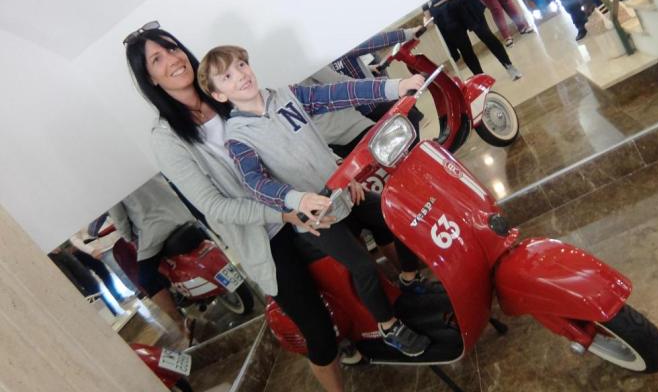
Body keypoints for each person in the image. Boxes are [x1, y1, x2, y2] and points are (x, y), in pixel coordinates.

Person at [124, 22, 344, 391]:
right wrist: (282, 211)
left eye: (172, 48)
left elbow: (286, 134)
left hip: (303, 203)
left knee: (357, 266)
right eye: (157, 59)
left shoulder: (224, 91)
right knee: (319, 332)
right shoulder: (166, 138)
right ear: (151, 79)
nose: (172, 60)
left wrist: (331, 168)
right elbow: (214, 205)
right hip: (267, 237)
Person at [197, 45, 445, 357]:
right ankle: (388, 326)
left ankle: (409, 280)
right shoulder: (237, 137)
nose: (240, 75)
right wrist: (297, 200)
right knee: (363, 268)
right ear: (219, 95)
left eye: (241, 65)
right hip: (314, 217)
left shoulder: (287, 95)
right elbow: (255, 183)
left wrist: (395, 86)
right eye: (227, 76)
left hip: (343, 190)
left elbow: (338, 94)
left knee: (397, 215)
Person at [108, 174, 197, 336]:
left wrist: (129, 238)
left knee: (146, 279)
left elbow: (120, 220)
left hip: (156, 229)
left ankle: (180, 322)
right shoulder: (138, 162)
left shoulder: (108, 184)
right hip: (182, 215)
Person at [423, 0, 523, 80]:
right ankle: (481, 79)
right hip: (443, 10)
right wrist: (426, 13)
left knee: (486, 35)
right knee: (464, 48)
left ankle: (509, 65)